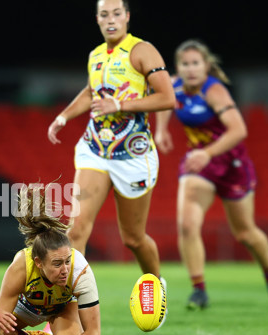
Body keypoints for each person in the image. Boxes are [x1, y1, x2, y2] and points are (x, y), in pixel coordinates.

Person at [47, 0, 175, 283]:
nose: (111, 19)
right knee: (76, 230)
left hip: (132, 154)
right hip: (95, 150)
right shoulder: (95, 55)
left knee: (133, 238)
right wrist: (64, 117)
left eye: (117, 13)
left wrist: (119, 105)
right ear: (97, 19)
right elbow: (91, 91)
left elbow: (167, 98)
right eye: (104, 14)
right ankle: (69, 309)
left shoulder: (142, 50)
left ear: (127, 16)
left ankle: (155, 285)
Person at [154, 40, 268, 311]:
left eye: (196, 63)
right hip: (198, 164)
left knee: (245, 233)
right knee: (187, 225)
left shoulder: (214, 92)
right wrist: (162, 130)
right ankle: (198, 289)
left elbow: (239, 130)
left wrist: (208, 153)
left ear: (206, 66)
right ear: (178, 67)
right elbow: (165, 102)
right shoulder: (174, 84)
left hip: (231, 164)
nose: (190, 69)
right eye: (185, 64)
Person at [0, 186, 101, 335]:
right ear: (38, 263)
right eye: (57, 263)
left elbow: (93, 334)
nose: (65, 269)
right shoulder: (22, 266)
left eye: (67, 261)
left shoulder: (80, 271)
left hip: (63, 308)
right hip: (27, 307)